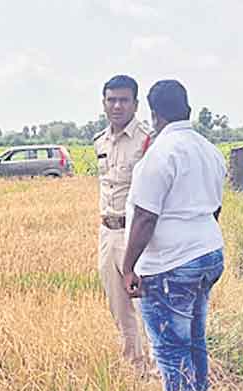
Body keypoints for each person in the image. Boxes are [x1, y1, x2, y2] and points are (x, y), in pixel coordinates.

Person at [121, 80, 227, 391]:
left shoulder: (160, 155)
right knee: (195, 336)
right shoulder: (209, 151)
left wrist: (128, 268)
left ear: (153, 114)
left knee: (170, 348)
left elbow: (145, 217)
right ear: (188, 110)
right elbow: (215, 210)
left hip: (171, 264)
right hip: (208, 254)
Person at [93, 75, 154, 373]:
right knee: (118, 306)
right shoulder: (100, 142)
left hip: (137, 233)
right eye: (111, 99)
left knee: (145, 305)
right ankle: (136, 367)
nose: (117, 106)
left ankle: (159, 369)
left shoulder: (147, 140)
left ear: (135, 104)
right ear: (103, 103)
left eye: (124, 100)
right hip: (107, 231)